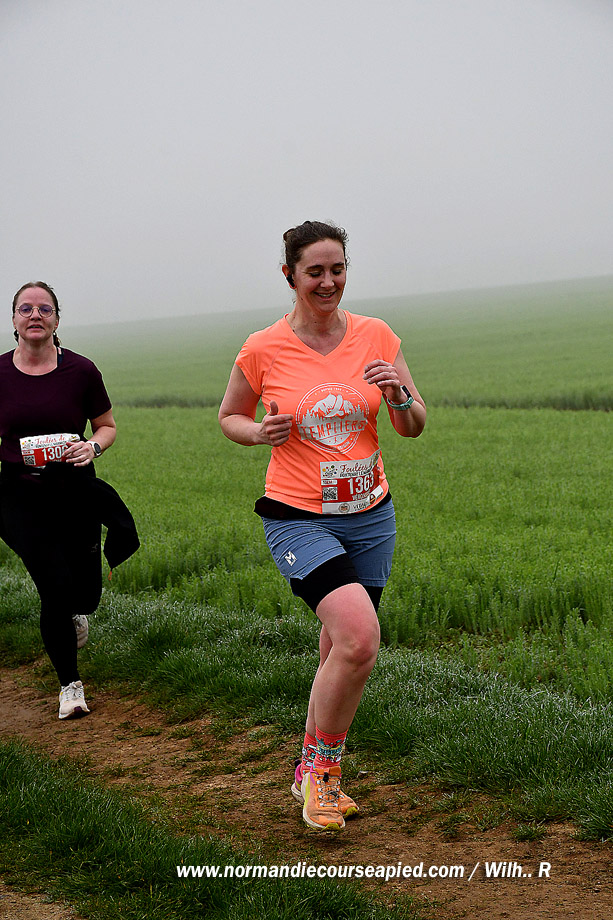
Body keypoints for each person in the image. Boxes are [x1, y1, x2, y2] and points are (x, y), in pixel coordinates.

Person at [219, 221, 426, 830]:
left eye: (338, 269)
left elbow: (413, 424)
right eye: (315, 271)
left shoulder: (377, 335)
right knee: (360, 639)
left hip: (371, 517)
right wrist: (257, 432)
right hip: (297, 516)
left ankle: (307, 767)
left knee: (339, 647)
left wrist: (398, 395)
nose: (329, 281)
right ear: (290, 276)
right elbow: (230, 416)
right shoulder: (262, 347)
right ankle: (324, 776)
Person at [0, 282, 139, 720]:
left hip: (74, 492)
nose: (35, 315)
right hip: (19, 496)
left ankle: (78, 613)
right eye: (26, 309)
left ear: (57, 320)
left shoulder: (81, 371)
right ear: (14, 319)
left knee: (84, 591)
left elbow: (106, 426)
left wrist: (92, 447)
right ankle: (70, 687)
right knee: (54, 586)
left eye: (45, 309)